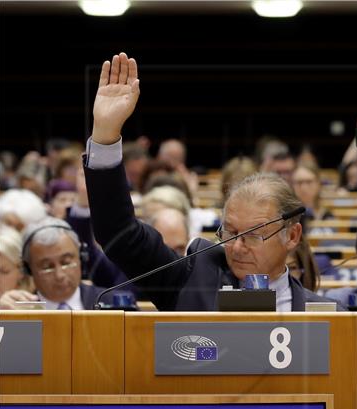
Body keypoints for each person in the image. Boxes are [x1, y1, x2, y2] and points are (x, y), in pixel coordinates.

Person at [82, 52, 339, 312]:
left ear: (292, 236)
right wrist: (105, 135)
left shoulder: (329, 315)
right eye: (229, 232)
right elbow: (119, 234)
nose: (237, 248)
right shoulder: (192, 279)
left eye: (252, 235)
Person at [0, 218, 108, 310]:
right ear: (28, 269)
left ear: (81, 258)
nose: (59, 275)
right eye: (47, 267)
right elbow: (16, 335)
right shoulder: (21, 310)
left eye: (66, 263)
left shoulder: (112, 304)